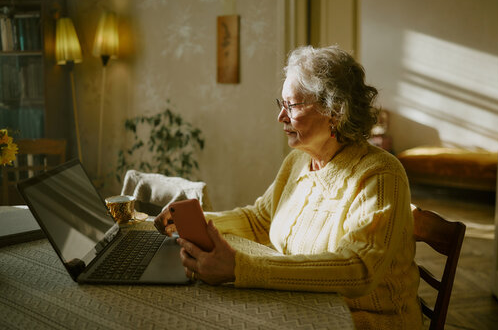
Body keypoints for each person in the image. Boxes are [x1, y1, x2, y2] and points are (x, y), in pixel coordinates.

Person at [155, 45, 423, 329]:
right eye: (280, 104)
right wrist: (196, 222)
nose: (280, 116)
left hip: (364, 321)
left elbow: (358, 269)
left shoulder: (380, 174)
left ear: (334, 110)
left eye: (292, 105)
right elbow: (260, 220)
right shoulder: (298, 161)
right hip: (303, 308)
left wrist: (240, 268)